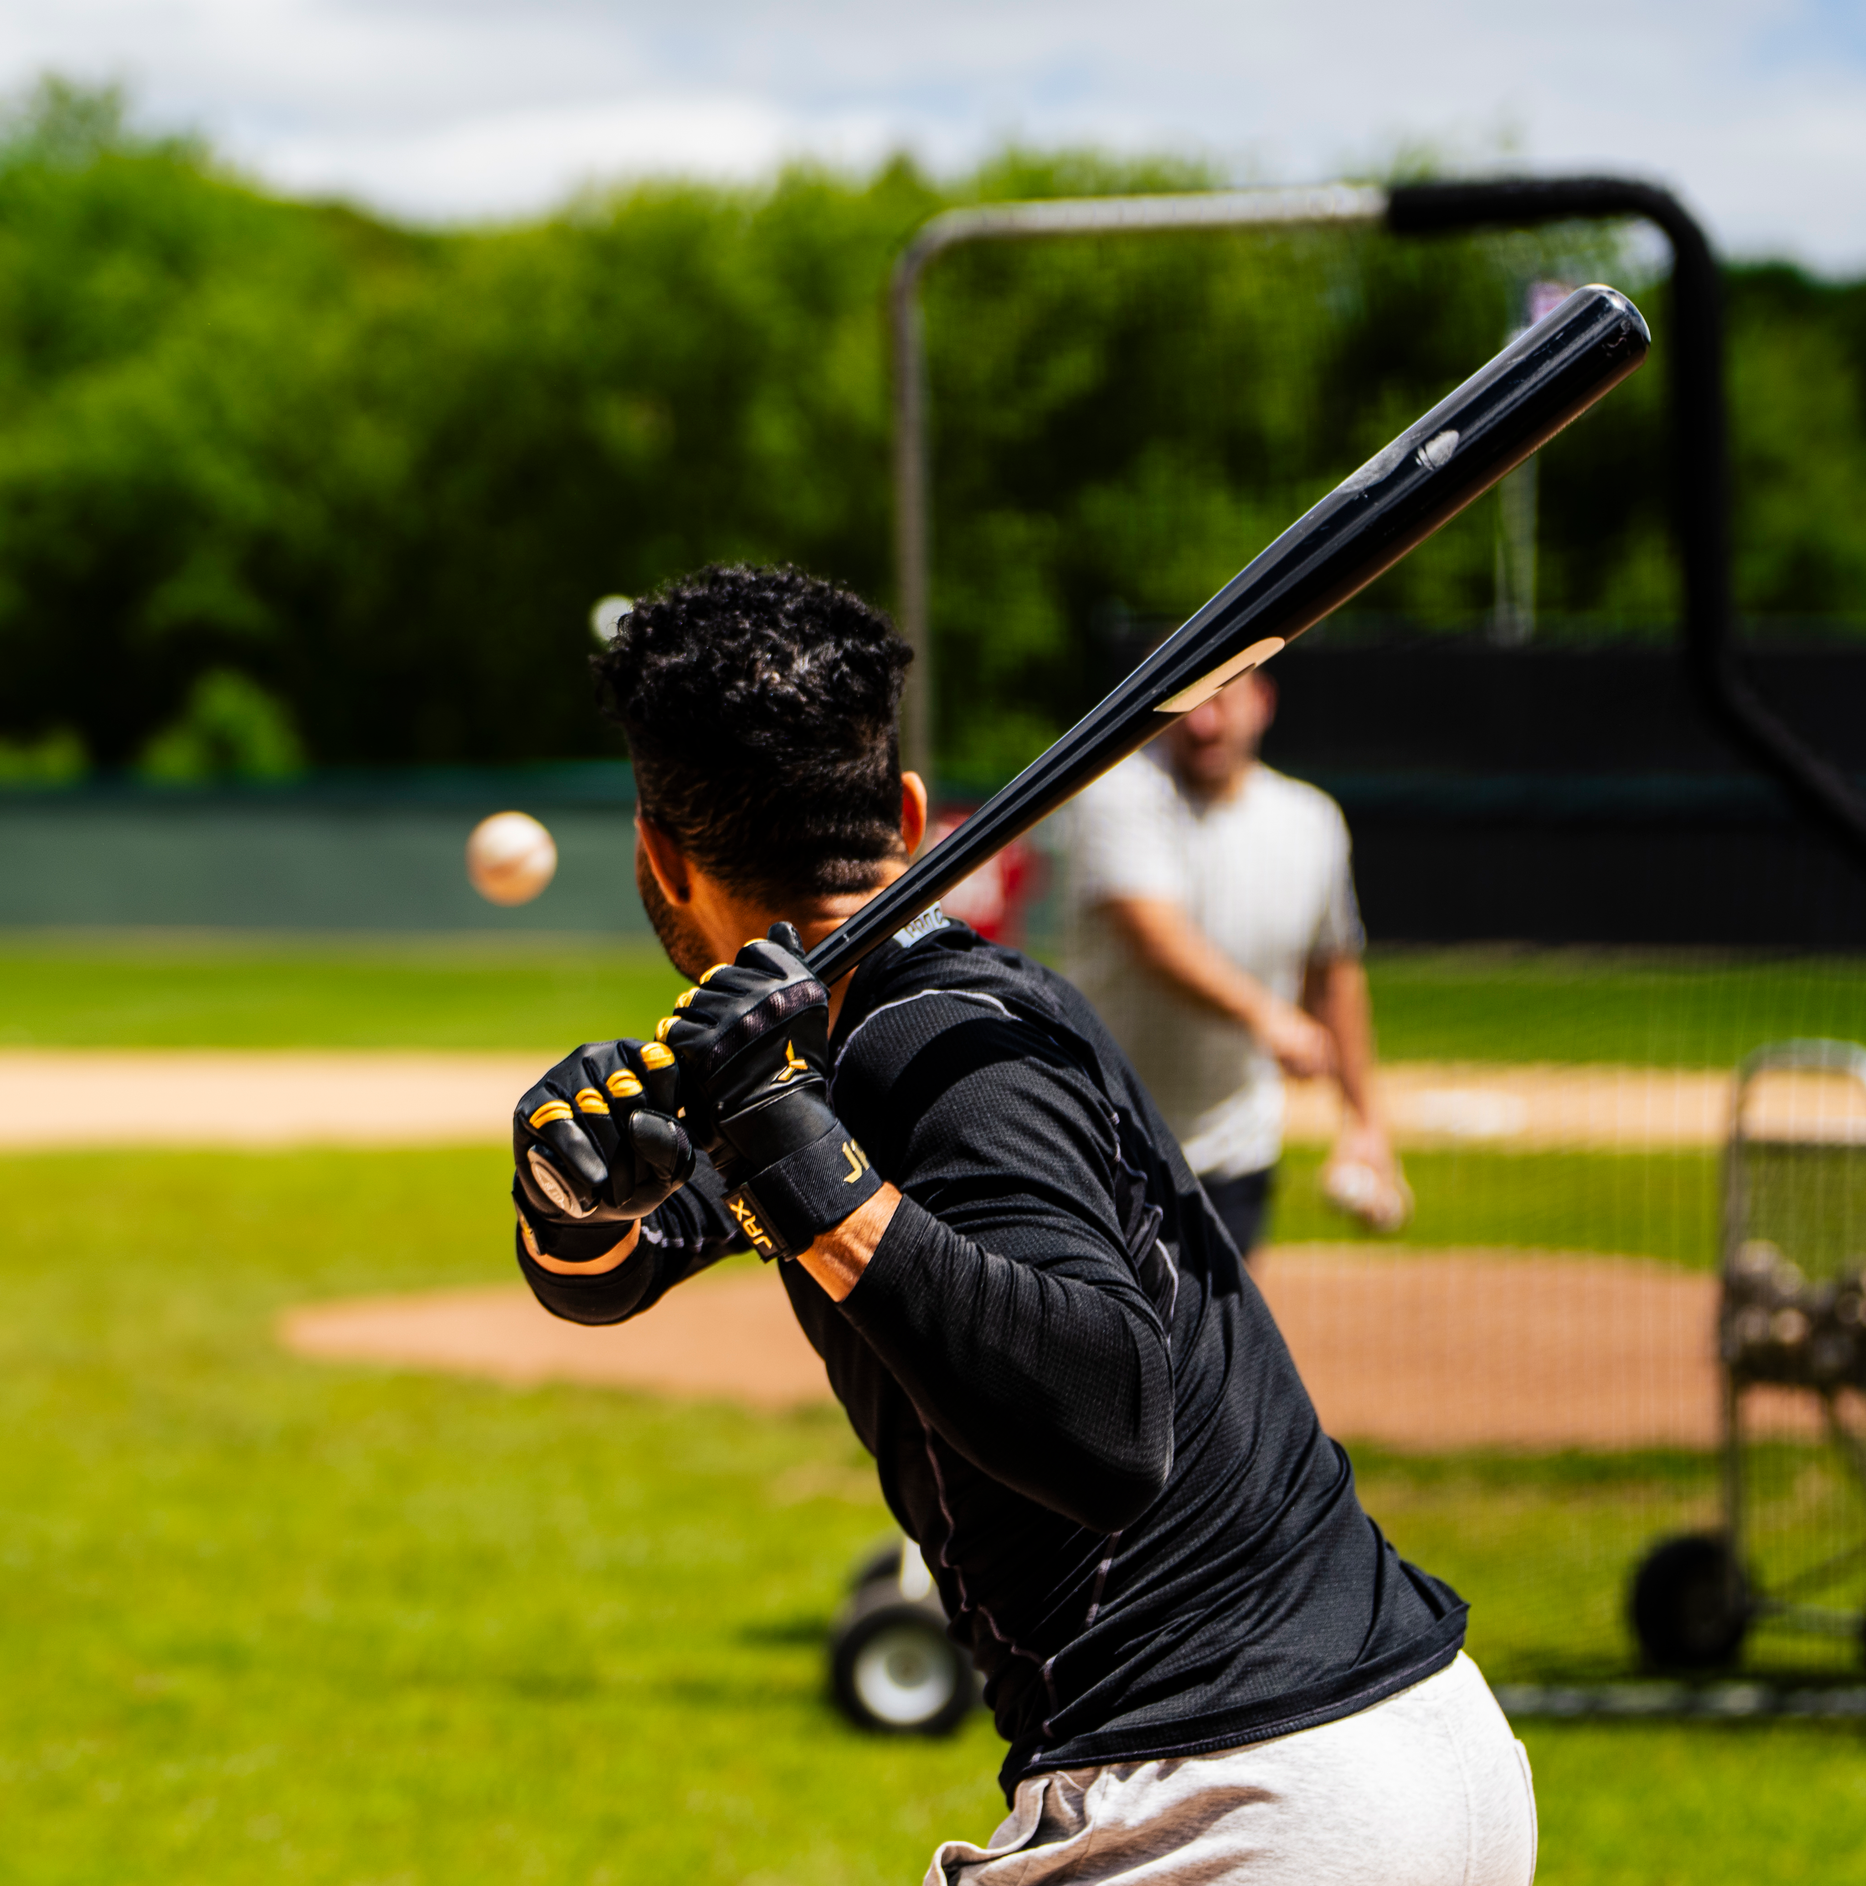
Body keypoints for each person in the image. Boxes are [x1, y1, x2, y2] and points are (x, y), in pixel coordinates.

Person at [510, 565, 1533, 1886]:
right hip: (1359, 1757)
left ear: (657, 855)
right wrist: (573, 1187)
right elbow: (610, 1270)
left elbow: (1106, 1423)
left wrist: (794, 1155)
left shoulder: (943, 1049)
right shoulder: (847, 1048)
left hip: (1234, 1793)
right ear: (908, 814)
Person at [1063, 665, 1410, 1254]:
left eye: (1222, 699)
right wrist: (1268, 1016)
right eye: (1186, 702)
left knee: (1220, 1319)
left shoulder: (1311, 821)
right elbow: (1156, 938)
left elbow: (1333, 975)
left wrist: (1365, 1122)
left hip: (1235, 1152)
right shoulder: (1117, 793)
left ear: (1263, 701)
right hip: (1105, 1145)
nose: (1202, 722)